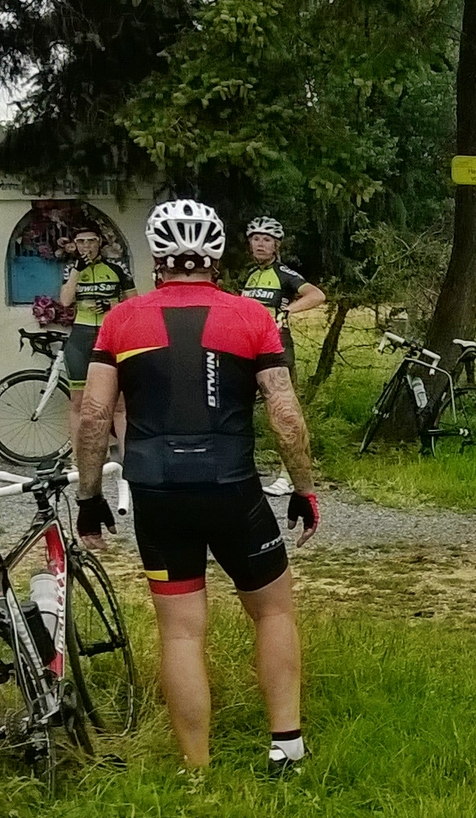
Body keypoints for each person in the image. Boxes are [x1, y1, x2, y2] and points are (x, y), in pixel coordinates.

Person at [74, 199, 320, 774]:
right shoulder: (251, 316)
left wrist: (89, 497)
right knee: (273, 612)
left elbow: (93, 416)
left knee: (181, 634)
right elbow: (285, 414)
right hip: (232, 486)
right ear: (217, 255)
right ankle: (286, 747)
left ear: (157, 256)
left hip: (156, 490)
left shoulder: (121, 319)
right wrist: (303, 488)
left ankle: (197, 771)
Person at [238, 217, 326, 496]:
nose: (260, 244)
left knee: (283, 411)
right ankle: (241, 466)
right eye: (256, 239)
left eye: (267, 239)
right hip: (247, 348)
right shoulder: (250, 275)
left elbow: (316, 295)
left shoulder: (284, 274)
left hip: (276, 347)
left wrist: (288, 311)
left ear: (276, 245)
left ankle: (288, 476)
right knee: (240, 407)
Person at [58, 222, 134, 452]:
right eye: (81, 242)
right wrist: (77, 271)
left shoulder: (117, 268)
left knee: (119, 405)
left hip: (110, 336)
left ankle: (127, 459)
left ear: (99, 242)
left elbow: (133, 304)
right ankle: (77, 460)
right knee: (79, 403)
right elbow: (65, 301)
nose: (86, 246)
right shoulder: (71, 269)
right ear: (75, 245)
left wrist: (111, 305)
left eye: (91, 241)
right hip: (81, 338)